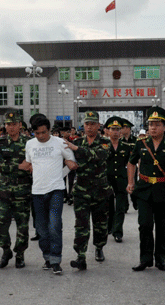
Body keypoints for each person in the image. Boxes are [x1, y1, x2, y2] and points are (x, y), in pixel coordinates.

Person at [22, 114, 77, 275]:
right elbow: (29, 164)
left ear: (50, 131)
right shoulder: (30, 144)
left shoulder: (60, 143)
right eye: (37, 133)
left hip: (56, 191)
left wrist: (59, 176)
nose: (40, 136)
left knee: (54, 226)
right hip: (37, 191)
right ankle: (46, 256)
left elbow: (72, 164)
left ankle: (55, 259)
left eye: (44, 133)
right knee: (41, 229)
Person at [127, 107, 165, 272]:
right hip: (144, 190)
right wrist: (131, 182)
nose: (153, 127)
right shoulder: (141, 144)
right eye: (150, 124)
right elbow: (131, 163)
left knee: (163, 227)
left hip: (164, 190)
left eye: (157, 124)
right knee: (145, 225)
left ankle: (160, 259)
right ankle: (145, 259)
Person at [63, 111, 112, 271]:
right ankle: (81, 256)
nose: (89, 127)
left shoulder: (105, 142)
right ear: (83, 126)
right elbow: (67, 157)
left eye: (93, 124)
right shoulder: (77, 141)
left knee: (100, 223)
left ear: (99, 126)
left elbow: (98, 156)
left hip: (100, 191)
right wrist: (68, 160)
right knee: (81, 225)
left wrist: (76, 149)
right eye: (87, 124)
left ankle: (99, 247)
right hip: (81, 191)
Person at [0, 111, 32, 269]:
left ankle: (20, 254)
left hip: (23, 190)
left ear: (20, 125)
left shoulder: (29, 142)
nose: (11, 127)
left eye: (14, 124)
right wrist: (19, 166)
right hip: (4, 189)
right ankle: (6, 249)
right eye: (8, 124)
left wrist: (23, 167)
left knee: (22, 225)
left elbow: (31, 164)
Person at [104, 116, 134, 244]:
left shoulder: (126, 147)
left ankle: (118, 232)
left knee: (120, 207)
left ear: (121, 131)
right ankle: (109, 227)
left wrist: (130, 182)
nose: (115, 132)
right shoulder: (103, 145)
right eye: (113, 129)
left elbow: (130, 164)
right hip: (107, 179)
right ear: (107, 131)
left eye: (117, 129)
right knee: (109, 205)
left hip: (122, 179)